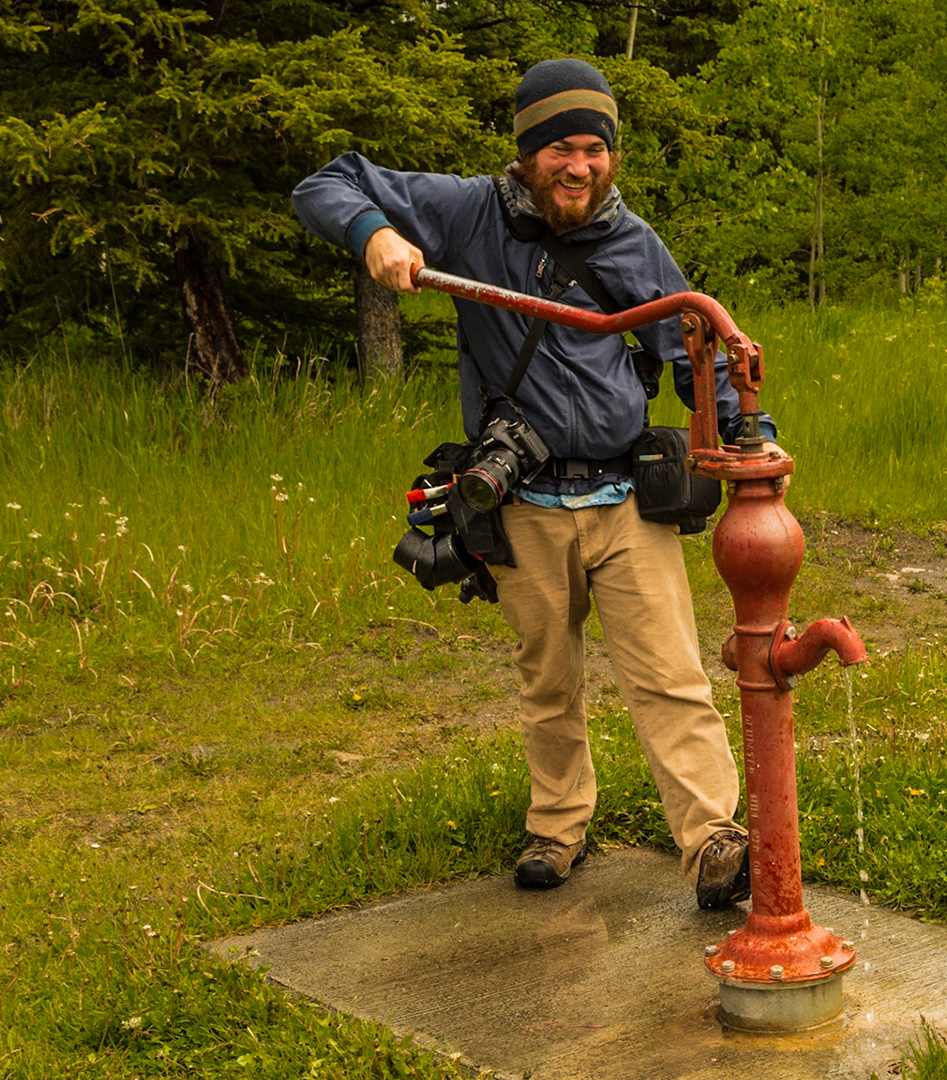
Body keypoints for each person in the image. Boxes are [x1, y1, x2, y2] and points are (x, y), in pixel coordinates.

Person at [291, 57, 764, 909]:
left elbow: (691, 352)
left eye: (593, 148)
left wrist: (740, 427)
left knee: (669, 678)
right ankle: (558, 827)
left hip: (627, 502)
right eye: (559, 150)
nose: (578, 166)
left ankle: (713, 844)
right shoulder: (471, 214)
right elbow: (329, 181)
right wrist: (375, 234)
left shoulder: (633, 241)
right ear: (526, 152)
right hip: (521, 502)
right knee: (548, 678)